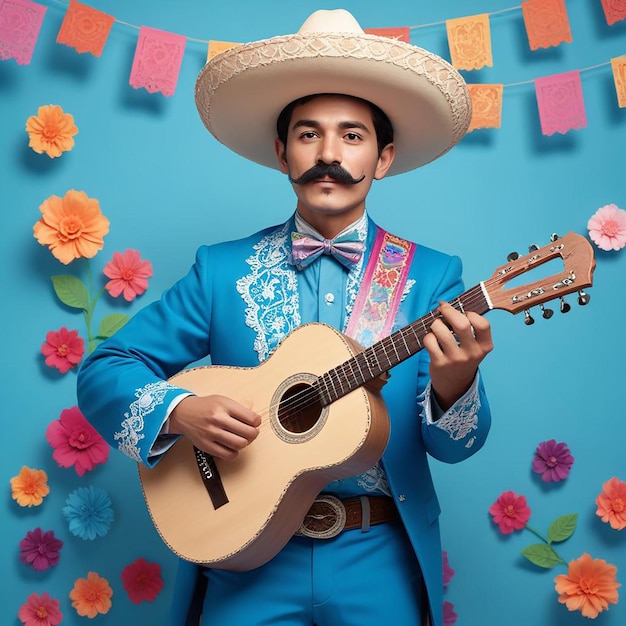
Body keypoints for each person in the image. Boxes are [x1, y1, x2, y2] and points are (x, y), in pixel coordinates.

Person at [77, 9, 493, 626]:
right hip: (244, 554)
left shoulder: (431, 277)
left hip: (379, 556)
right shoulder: (220, 271)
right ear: (281, 152)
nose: (329, 154)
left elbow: (456, 449)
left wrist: (456, 383)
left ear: (383, 158)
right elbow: (105, 368)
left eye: (353, 136)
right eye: (308, 135)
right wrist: (180, 412)